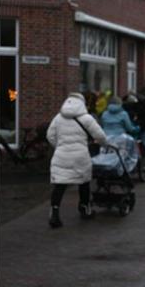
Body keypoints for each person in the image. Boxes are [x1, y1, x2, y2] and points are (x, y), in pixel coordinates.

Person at [46, 92, 108, 228]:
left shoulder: (58, 118)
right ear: (82, 103)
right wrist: (105, 146)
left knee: (60, 185)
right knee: (84, 182)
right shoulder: (87, 118)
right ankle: (85, 208)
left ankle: (54, 213)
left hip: (61, 155)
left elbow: (50, 135)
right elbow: (101, 136)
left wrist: (60, 146)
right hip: (80, 156)